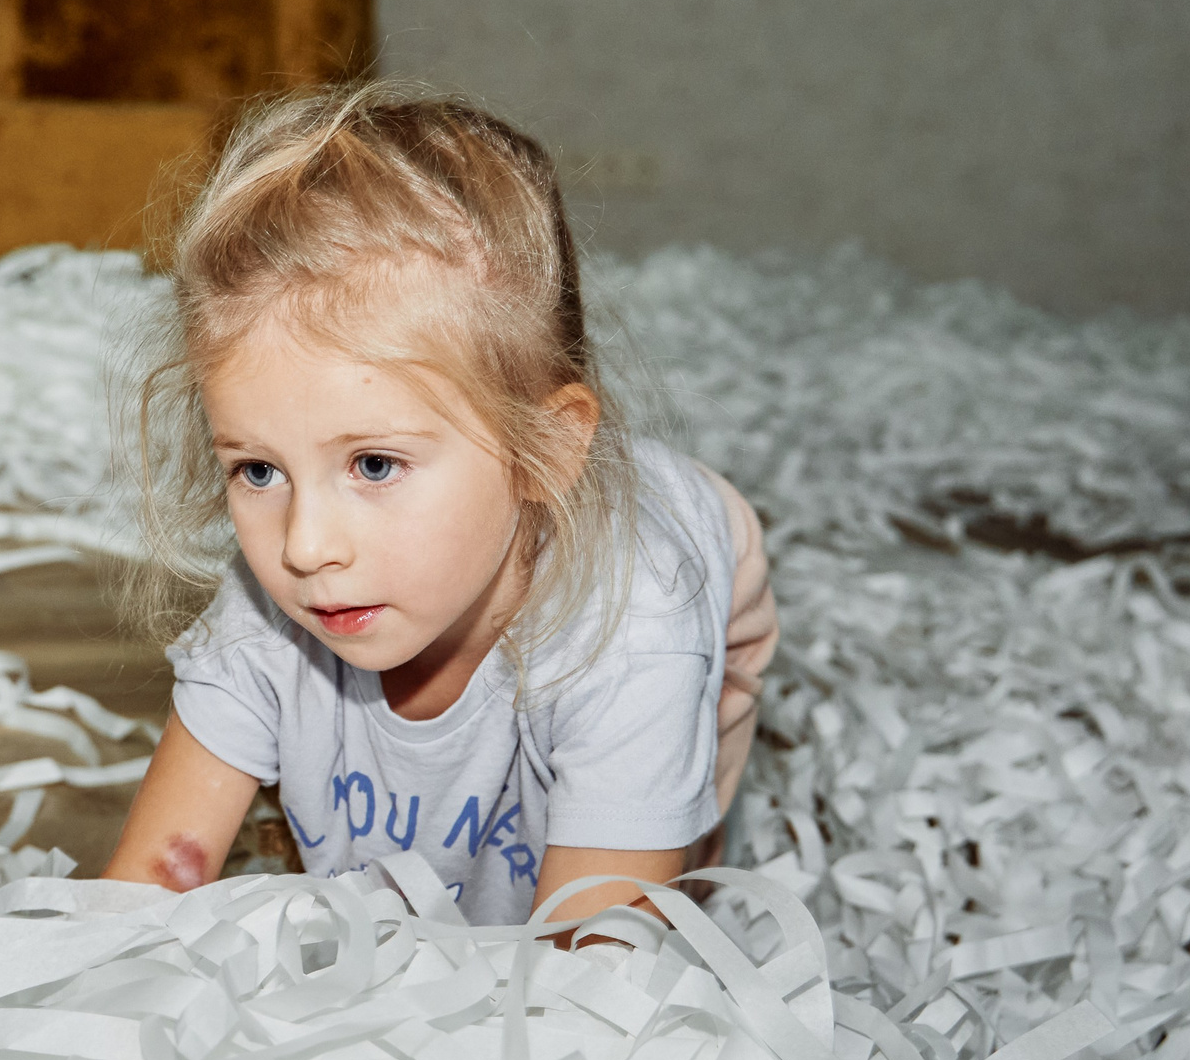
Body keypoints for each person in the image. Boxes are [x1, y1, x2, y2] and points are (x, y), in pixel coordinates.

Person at [103, 84, 779, 933]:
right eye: (258, 472)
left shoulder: (643, 623)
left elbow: (598, 991)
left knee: (665, 898)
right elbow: (145, 894)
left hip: (690, 585)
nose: (305, 547)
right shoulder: (265, 612)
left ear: (549, 450)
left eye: (374, 464)